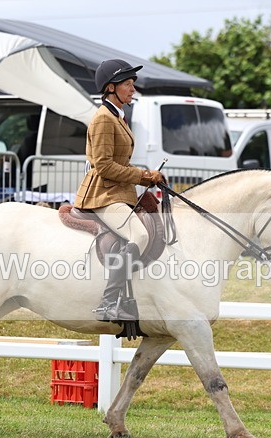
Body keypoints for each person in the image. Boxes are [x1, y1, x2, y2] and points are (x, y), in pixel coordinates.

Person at [74, 59, 164, 322]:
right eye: (127, 84)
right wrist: (143, 176)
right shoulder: (104, 118)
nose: (132, 89)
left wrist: (147, 178)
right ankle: (108, 302)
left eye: (132, 84)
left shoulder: (117, 116)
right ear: (111, 87)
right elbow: (103, 165)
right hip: (103, 195)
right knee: (140, 235)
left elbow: (119, 162)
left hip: (118, 192)